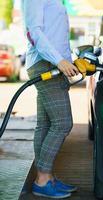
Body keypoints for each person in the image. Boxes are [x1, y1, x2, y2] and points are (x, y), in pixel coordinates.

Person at [22, 0, 79, 198]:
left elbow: (56, 34)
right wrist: (59, 60)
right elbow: (34, 32)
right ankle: (43, 180)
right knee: (63, 123)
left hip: (52, 63)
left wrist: (68, 62)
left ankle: (47, 177)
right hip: (45, 64)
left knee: (45, 124)